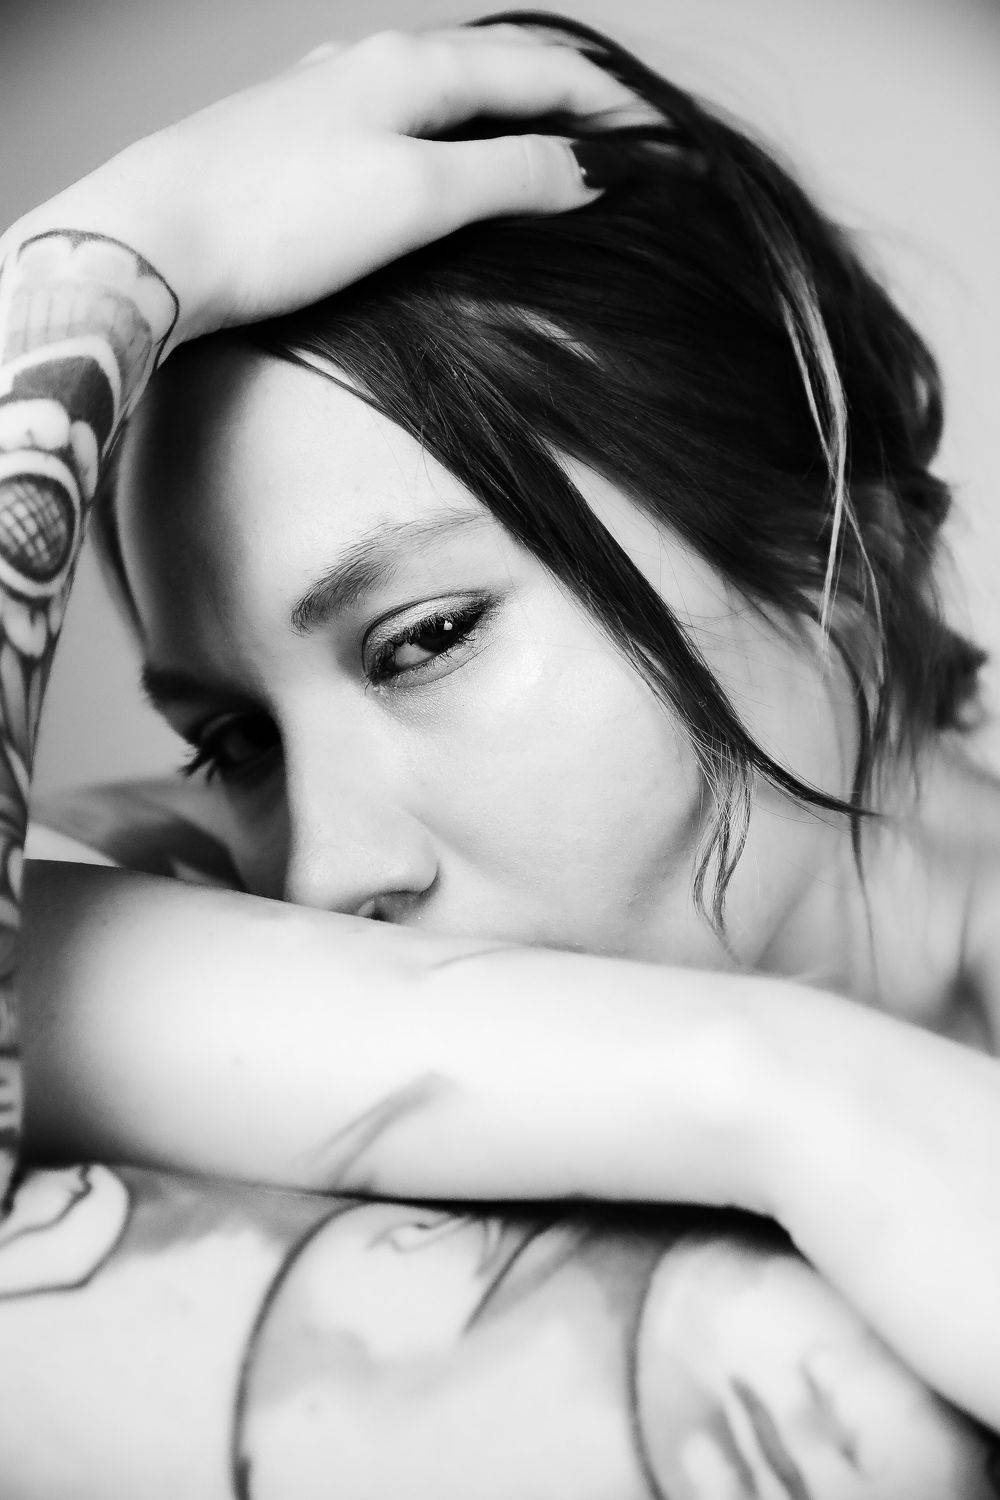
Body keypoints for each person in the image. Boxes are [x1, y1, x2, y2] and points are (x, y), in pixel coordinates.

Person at [1, 13, 998, 1495]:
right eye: (237, 739)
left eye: (425, 640)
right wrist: (101, 270)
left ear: (830, 554)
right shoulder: (182, 894)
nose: (322, 878)